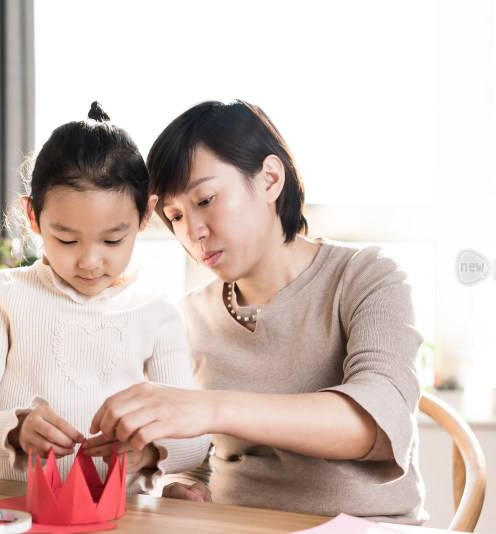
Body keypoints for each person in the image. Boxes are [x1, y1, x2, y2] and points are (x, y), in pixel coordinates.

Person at [85, 99, 426, 523]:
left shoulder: (368, 278)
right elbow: (205, 458)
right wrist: (177, 482)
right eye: (174, 216)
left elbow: (374, 423)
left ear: (269, 179)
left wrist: (211, 409)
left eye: (205, 200)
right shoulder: (189, 315)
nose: (193, 232)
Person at [0, 102, 210, 492]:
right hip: (15, 511)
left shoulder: (157, 313)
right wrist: (14, 429)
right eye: (66, 239)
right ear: (32, 217)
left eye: (113, 239)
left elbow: (194, 438)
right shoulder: (2, 296)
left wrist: (148, 454)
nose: (90, 261)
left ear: (145, 217)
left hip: (119, 515)